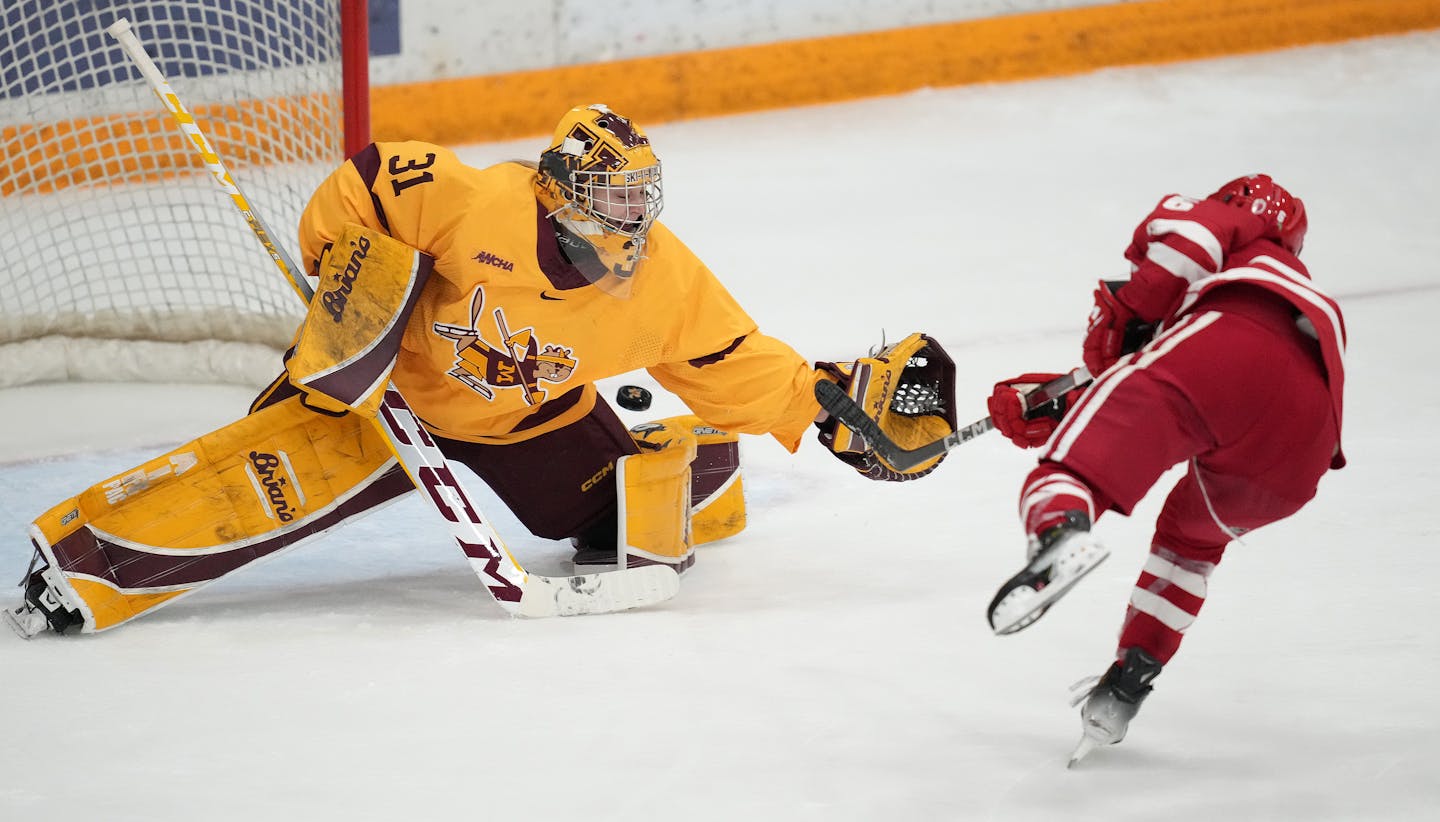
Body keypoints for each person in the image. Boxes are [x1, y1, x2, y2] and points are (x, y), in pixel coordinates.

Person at [6, 104, 956, 636]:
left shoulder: (662, 281)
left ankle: (702, 467)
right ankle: (87, 566)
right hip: (384, 394)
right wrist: (350, 281)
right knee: (265, 484)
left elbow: (732, 360)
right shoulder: (465, 201)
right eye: (610, 198)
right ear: (559, 192)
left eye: (640, 200)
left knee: (624, 521)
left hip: (523, 422)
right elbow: (358, 189)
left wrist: (826, 407)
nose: (630, 220)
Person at [982, 174, 1345, 764]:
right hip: (1304, 441)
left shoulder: (1229, 227)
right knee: (1187, 546)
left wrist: (1127, 320)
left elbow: (1193, 299)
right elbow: (1196, 387)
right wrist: (1074, 401)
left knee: (1073, 474)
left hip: (1223, 348)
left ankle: (1060, 535)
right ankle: (1126, 684)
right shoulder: (1294, 291)